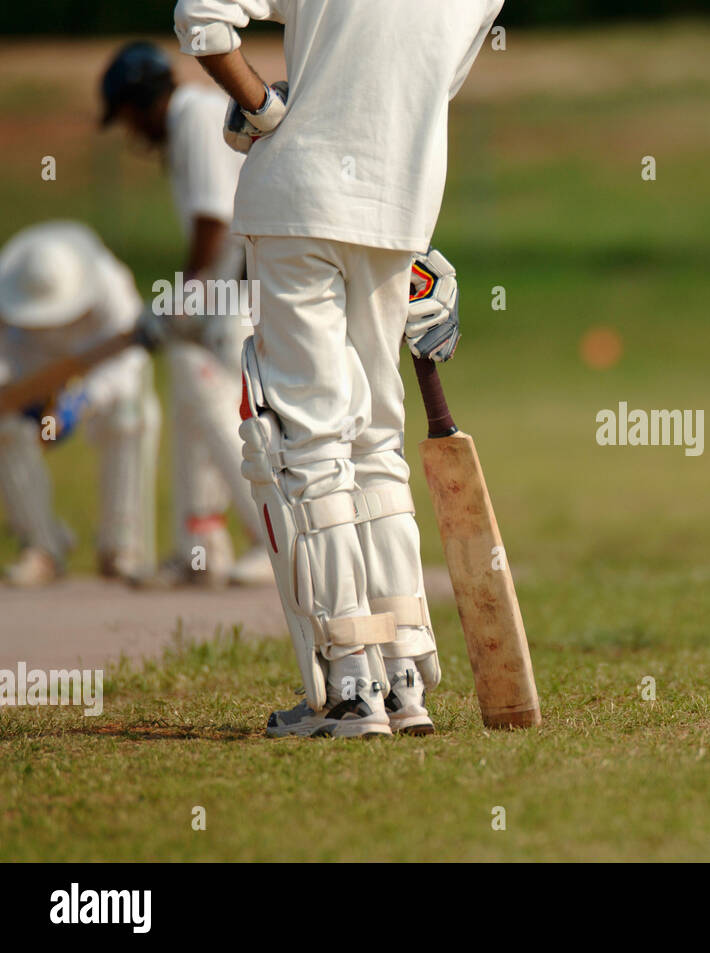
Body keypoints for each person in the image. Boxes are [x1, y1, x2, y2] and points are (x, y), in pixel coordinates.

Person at [173, 0, 503, 737]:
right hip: (396, 217)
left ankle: (353, 686)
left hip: (299, 202)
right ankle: (406, 677)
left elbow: (200, 15)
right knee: (377, 439)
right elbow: (418, 87)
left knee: (314, 445)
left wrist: (260, 107)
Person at [99, 41, 273, 588]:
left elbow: (212, 223)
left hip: (243, 290)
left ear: (141, 100)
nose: (128, 131)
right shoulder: (187, 124)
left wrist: (178, 302)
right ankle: (201, 548)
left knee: (234, 417)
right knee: (193, 401)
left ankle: (272, 542)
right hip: (226, 287)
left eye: (126, 116)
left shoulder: (195, 116)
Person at [0, 222, 159, 587]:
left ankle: (120, 545)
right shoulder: (8, 285)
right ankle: (43, 546)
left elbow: (130, 357)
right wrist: (22, 396)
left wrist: (82, 400)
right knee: (7, 430)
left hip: (101, 373)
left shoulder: (108, 283)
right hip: (32, 374)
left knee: (131, 415)